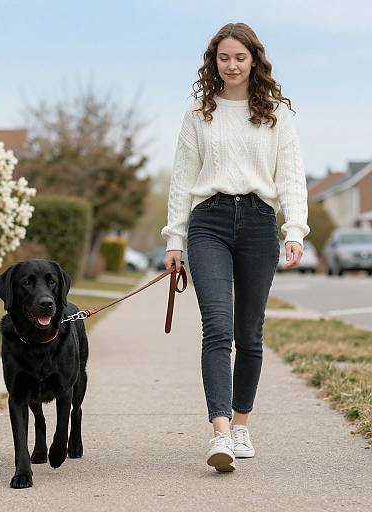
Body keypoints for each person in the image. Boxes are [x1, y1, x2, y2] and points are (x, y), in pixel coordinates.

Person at [161, 22, 310, 473]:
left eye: (239, 58)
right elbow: (182, 178)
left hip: (260, 225)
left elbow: (291, 175)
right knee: (217, 328)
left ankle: (242, 423)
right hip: (209, 223)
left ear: (253, 60)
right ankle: (221, 432)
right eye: (224, 58)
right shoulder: (199, 112)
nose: (231, 66)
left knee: (249, 334)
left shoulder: (276, 112)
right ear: (214, 61)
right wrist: (175, 239)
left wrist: (294, 230)